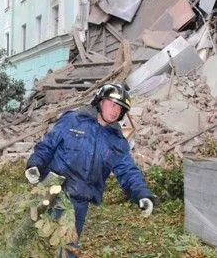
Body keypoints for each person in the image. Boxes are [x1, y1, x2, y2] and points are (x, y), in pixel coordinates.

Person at [25, 83, 154, 257]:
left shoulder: (117, 141)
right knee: (37, 244)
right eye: (113, 104)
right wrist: (34, 165)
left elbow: (128, 171)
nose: (116, 111)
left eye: (120, 108)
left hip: (79, 203)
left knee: (68, 249)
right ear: (100, 101)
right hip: (52, 193)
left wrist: (142, 194)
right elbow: (47, 146)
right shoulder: (73, 120)